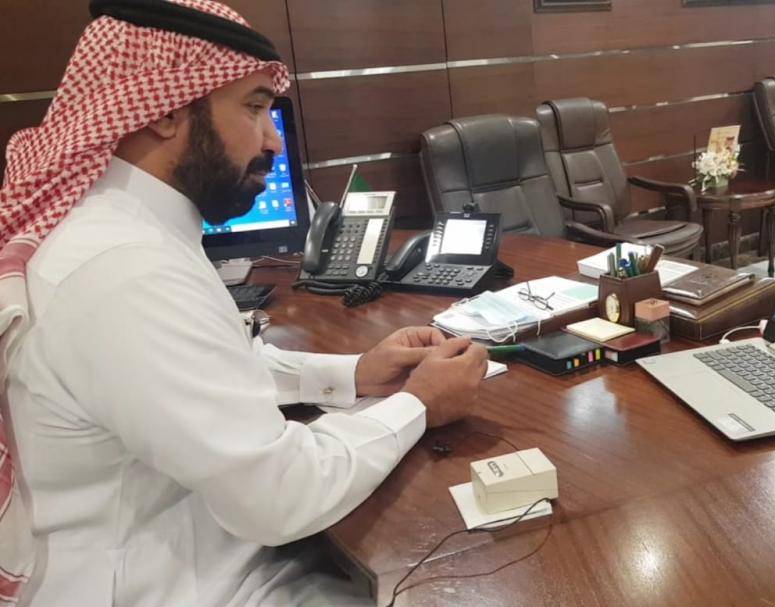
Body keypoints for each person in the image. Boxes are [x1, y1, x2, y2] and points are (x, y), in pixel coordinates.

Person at [0, 1, 487, 605]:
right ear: (166, 111)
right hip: (182, 586)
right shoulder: (125, 270)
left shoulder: (118, 229)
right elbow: (279, 496)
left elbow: (208, 370)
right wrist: (419, 405)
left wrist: (355, 373)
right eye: (255, 108)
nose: (273, 140)